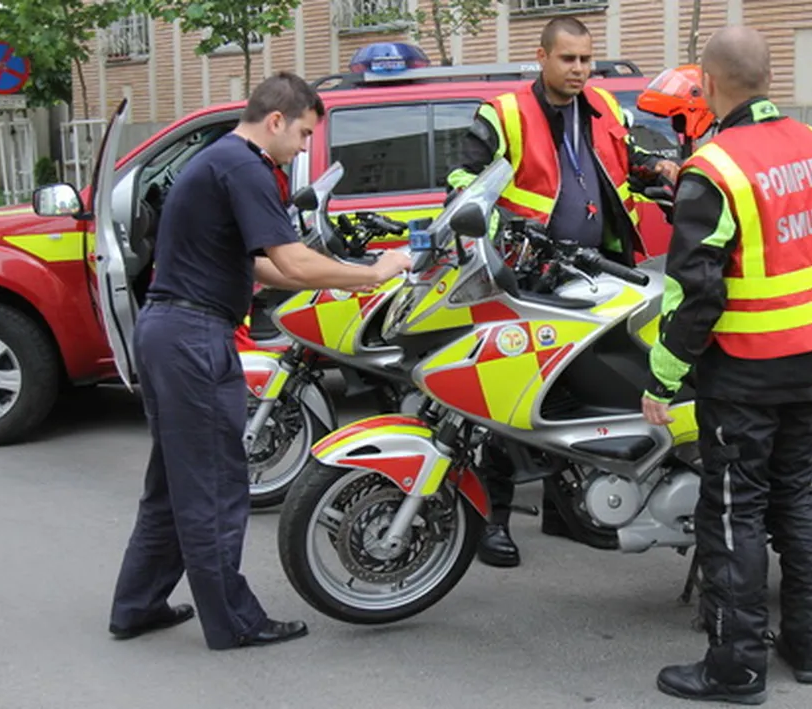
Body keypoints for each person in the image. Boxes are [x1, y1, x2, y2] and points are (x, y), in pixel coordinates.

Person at [108, 72, 412, 650]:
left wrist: (340, 283)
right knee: (216, 486)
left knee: (174, 485)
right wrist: (374, 273)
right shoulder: (245, 166)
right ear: (275, 120)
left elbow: (258, 267)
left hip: (173, 331)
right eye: (301, 134)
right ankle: (234, 622)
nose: (302, 147)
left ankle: (137, 604)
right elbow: (294, 263)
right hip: (193, 337)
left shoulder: (220, 161)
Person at [641, 25, 812, 704]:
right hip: (810, 362)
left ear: (707, 83)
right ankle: (809, 644)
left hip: (743, 371)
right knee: (794, 498)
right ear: (767, 79)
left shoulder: (717, 167)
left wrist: (663, 375)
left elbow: (694, 293)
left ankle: (735, 666)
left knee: (733, 513)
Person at [446, 15, 680, 568]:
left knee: (573, 400)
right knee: (508, 401)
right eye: (568, 59)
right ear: (543, 56)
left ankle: (565, 512)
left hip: (598, 274)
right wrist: (500, 232)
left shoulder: (603, 107)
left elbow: (627, 163)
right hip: (527, 277)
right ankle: (492, 522)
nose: (580, 69)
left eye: (586, 59)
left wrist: (662, 167)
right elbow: (462, 181)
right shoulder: (504, 112)